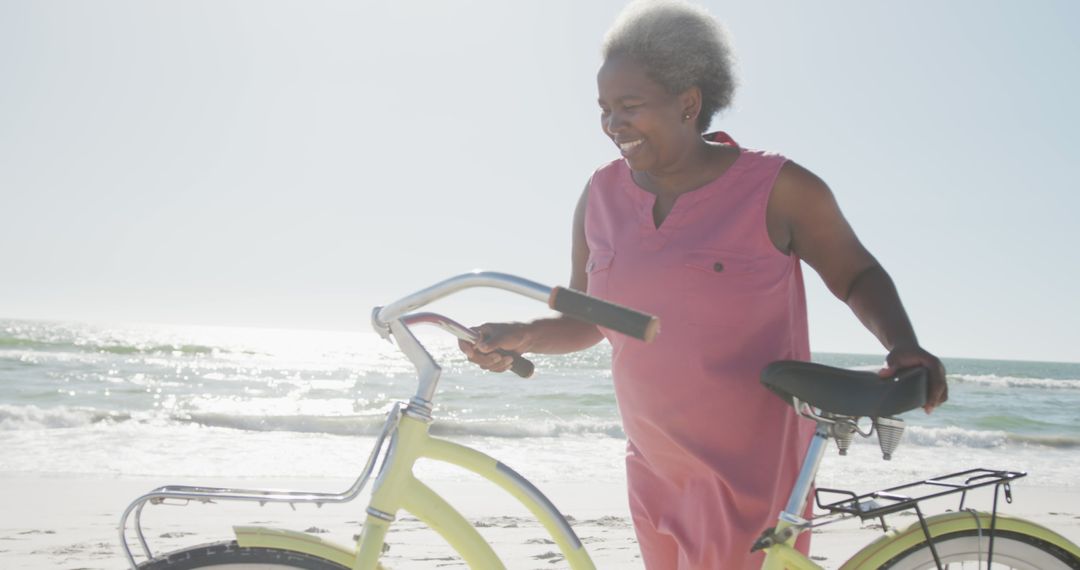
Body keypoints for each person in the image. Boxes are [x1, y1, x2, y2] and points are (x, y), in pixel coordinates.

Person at [460, 1, 948, 567]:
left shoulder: (778, 188)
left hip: (749, 476)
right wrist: (517, 335)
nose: (612, 123)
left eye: (630, 106)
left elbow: (856, 272)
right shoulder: (599, 196)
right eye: (604, 109)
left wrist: (902, 344)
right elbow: (589, 319)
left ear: (688, 103)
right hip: (653, 467)